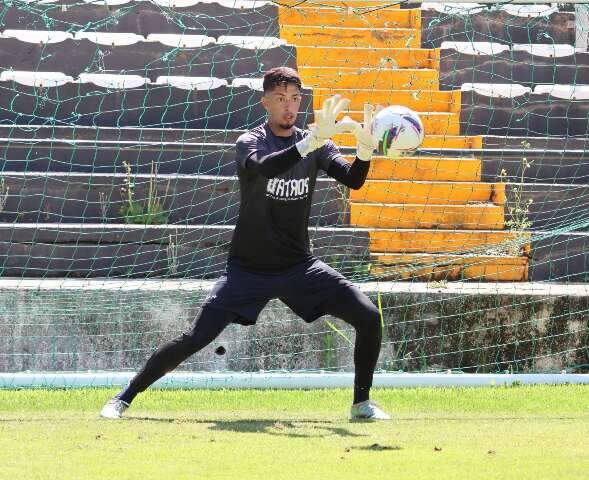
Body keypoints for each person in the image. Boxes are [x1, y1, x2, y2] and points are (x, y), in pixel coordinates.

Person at [100, 66, 390, 420]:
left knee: (369, 316)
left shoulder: (317, 143)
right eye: (281, 99)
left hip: (299, 266)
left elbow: (353, 180)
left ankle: (361, 404)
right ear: (265, 101)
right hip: (248, 270)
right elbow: (266, 167)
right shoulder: (251, 141)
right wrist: (308, 143)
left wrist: (364, 149)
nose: (289, 107)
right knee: (196, 336)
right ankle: (124, 397)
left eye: (295, 99)